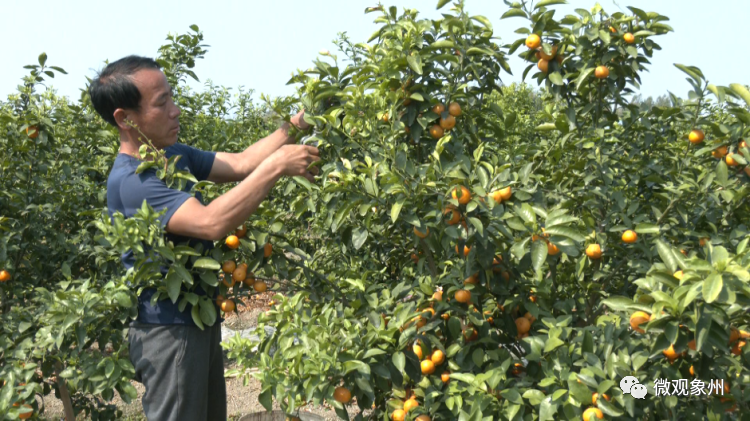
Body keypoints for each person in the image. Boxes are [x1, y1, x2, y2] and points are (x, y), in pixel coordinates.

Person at [88, 55, 320, 421]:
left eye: (172, 98)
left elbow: (242, 162)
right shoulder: (133, 182)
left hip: (199, 319)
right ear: (125, 118)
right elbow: (211, 222)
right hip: (168, 331)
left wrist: (300, 121)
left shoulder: (171, 156)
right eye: (162, 103)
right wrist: (278, 166)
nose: (176, 111)